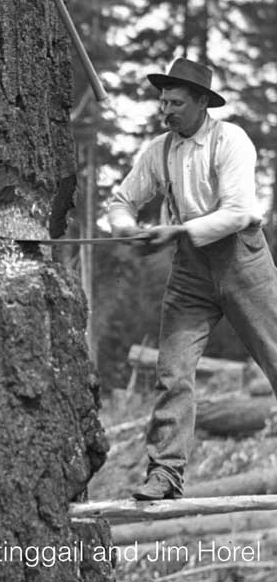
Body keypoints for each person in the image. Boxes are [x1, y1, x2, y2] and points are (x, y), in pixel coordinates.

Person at [108, 58, 276, 500]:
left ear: (202, 102)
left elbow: (237, 211)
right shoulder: (158, 151)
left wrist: (178, 231)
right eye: (163, 102)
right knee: (173, 370)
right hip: (190, 271)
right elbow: (122, 200)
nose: (166, 110)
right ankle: (165, 473)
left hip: (243, 260)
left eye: (176, 103)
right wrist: (127, 229)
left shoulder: (230, 140)